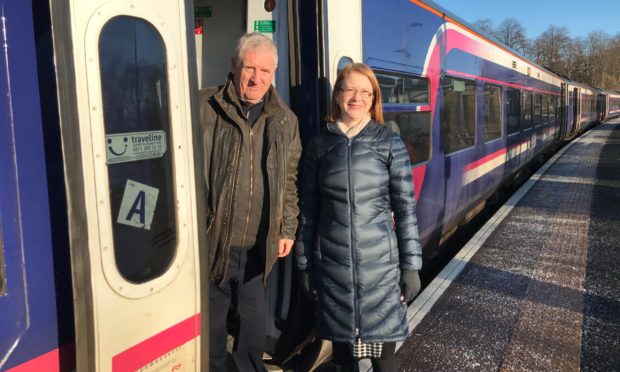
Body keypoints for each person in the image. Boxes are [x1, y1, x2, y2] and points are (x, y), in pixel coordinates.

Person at [295, 63, 422, 372]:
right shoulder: (319, 145)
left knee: (384, 360)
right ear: (337, 96)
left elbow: (405, 210)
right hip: (334, 272)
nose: (357, 97)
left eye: (365, 92)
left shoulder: (389, 143)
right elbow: (309, 211)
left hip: (380, 273)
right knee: (342, 360)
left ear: (373, 98)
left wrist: (411, 266)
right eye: (349, 90)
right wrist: (304, 265)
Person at [199, 32, 301, 371]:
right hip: (214, 242)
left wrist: (287, 227)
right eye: (249, 68)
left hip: (258, 248)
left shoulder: (285, 120)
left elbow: (289, 178)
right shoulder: (205, 107)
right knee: (212, 329)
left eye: (265, 71)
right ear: (233, 66)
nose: (256, 78)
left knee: (252, 329)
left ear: (274, 73)